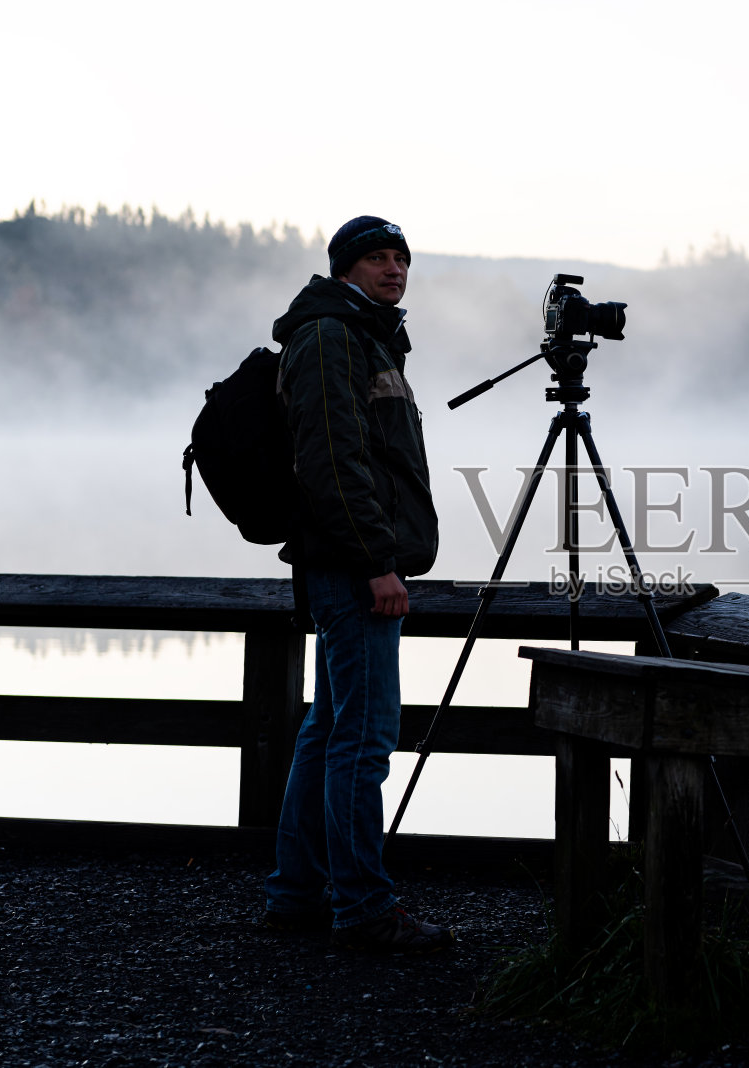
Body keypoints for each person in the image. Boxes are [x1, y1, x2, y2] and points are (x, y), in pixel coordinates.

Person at [261, 216, 452, 951]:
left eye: (401, 258)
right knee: (363, 743)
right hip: (354, 569)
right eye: (377, 257)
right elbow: (333, 461)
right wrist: (378, 562)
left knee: (326, 735)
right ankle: (364, 908)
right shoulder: (331, 338)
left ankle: (297, 895)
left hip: (349, 565)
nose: (394, 269)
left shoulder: (361, 334)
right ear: (346, 267)